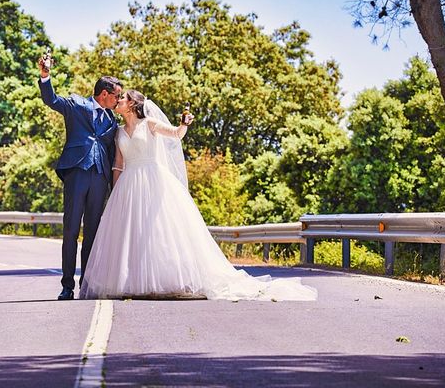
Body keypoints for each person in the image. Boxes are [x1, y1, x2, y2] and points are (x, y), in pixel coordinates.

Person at [79, 90, 317, 301]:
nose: (118, 101)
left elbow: (175, 134)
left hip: (153, 179)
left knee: (157, 231)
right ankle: (131, 281)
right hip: (129, 183)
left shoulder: (149, 124)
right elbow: (118, 163)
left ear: (132, 104)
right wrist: (115, 191)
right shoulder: (119, 131)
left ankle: (162, 280)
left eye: (122, 98)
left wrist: (184, 124)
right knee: (132, 234)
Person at [38, 53, 123, 300]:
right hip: (77, 173)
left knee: (93, 234)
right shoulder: (77, 105)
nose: (118, 100)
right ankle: (67, 286)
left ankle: (86, 284)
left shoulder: (111, 120)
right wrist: (45, 76)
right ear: (104, 94)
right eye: (116, 95)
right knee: (71, 231)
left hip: (99, 179)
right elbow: (51, 99)